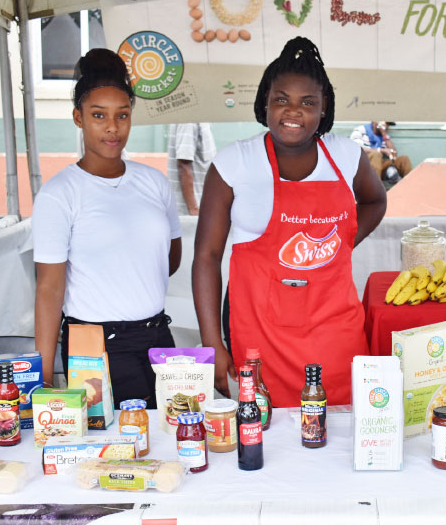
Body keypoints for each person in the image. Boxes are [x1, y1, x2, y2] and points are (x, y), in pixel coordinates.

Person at [193, 37, 387, 405]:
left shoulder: (346, 155)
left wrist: (340, 243)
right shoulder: (234, 162)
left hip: (335, 327)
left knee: (340, 420)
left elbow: (375, 201)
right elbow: (206, 256)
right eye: (282, 99)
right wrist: (211, 342)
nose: (293, 112)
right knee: (266, 424)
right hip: (259, 330)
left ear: (324, 107)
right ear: (265, 100)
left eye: (307, 102)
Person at [33, 48, 182, 407]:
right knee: (114, 440)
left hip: (157, 338)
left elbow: (170, 258)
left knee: (173, 430)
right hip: (94, 346)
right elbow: (49, 289)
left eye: (122, 115)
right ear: (78, 117)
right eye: (98, 115)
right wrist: (42, 377)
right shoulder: (59, 194)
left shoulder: (154, 182)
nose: (112, 127)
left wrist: (126, 274)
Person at [166, 123, 217, 215]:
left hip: (201, 207)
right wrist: (194, 211)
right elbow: (183, 165)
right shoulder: (189, 122)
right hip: (191, 212)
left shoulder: (201, 121)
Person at [350, 121, 412, 189]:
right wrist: (380, 150)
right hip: (363, 166)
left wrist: (384, 134)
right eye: (385, 124)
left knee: (404, 159)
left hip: (378, 168)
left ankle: (411, 188)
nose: (387, 127)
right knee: (376, 155)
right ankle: (375, 190)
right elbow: (356, 148)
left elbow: (394, 154)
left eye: (388, 125)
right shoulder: (360, 130)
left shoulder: (383, 136)